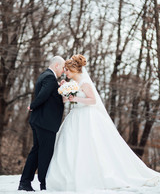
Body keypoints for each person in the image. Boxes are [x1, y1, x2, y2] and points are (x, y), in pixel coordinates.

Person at [46, 54, 160, 192]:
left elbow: (92, 101)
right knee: (69, 144)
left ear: (75, 70)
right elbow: (67, 100)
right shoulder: (72, 84)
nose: (65, 72)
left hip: (86, 116)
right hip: (74, 116)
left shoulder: (84, 83)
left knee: (89, 145)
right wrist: (66, 93)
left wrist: (76, 98)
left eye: (68, 70)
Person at [18, 56, 65, 191]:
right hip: (45, 123)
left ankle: (25, 182)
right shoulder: (50, 78)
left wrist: (59, 89)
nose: (63, 71)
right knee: (45, 153)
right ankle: (44, 184)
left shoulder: (44, 75)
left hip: (39, 121)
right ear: (56, 65)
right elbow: (44, 94)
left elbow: (49, 94)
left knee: (37, 151)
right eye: (62, 67)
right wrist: (32, 105)